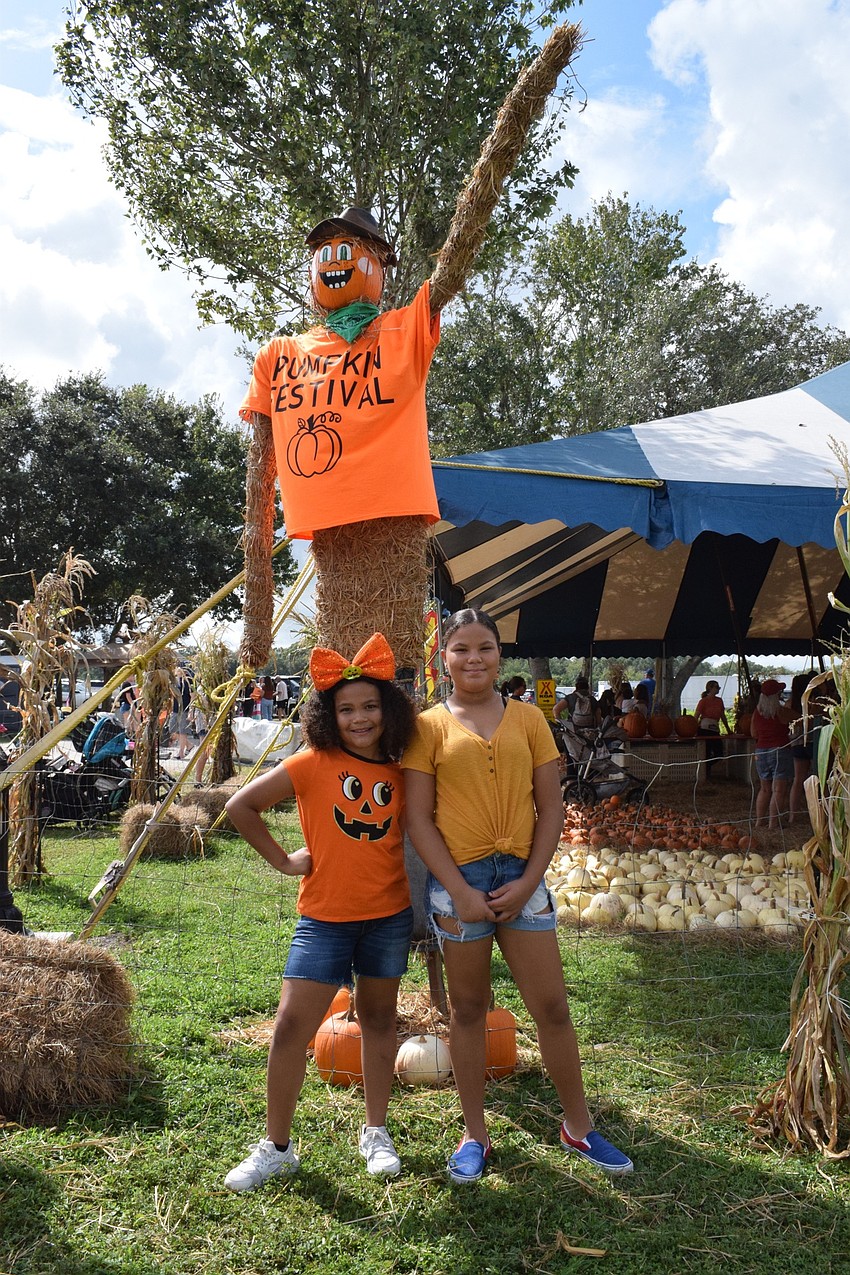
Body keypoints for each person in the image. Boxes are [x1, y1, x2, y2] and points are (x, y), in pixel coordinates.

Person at [403, 608, 632, 1184]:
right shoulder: (428, 727)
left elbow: (553, 809)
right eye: (461, 649)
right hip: (460, 885)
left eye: (484, 647)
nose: (473, 659)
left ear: (499, 654)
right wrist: (459, 890)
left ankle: (577, 1125)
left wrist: (530, 881)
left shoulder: (530, 719)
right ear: (445, 657)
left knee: (552, 1008)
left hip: (524, 880)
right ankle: (475, 1133)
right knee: (468, 1011)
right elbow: (419, 820)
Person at [223, 633, 417, 1192]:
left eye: (370, 706)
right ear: (330, 716)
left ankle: (375, 1131)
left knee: (379, 1021)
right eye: (347, 709)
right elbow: (241, 806)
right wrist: (285, 861)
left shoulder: (403, 771)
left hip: (389, 916)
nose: (360, 718)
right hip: (324, 918)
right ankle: (276, 1146)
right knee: (289, 1029)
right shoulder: (312, 763)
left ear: (389, 710)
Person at [751, 678, 794, 828]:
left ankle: (759, 821)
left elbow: (753, 733)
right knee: (779, 789)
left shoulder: (756, 713)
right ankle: (773, 823)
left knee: (764, 788)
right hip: (780, 749)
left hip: (761, 750)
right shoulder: (781, 712)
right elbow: (800, 718)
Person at [695, 680, 730, 780]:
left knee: (719, 753)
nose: (718, 688)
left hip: (715, 728)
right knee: (706, 752)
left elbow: (723, 716)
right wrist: (692, 728)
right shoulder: (703, 701)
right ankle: (706, 774)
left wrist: (728, 729)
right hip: (704, 729)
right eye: (716, 687)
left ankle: (707, 766)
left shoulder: (719, 701)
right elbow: (696, 716)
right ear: (710, 688)